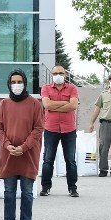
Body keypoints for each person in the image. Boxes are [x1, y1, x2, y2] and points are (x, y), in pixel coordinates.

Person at [0, 70, 45, 220]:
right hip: (8, 154)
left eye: (19, 82)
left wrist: (24, 147)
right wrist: (7, 145)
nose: (16, 85)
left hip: (28, 154)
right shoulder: (4, 104)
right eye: (13, 82)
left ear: (25, 83)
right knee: (9, 191)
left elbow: (38, 129)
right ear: (9, 84)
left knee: (27, 191)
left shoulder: (35, 104)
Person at [39, 65, 80, 198]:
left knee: (70, 160)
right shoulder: (45, 88)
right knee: (48, 159)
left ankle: (72, 188)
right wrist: (65, 103)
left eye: (61, 73)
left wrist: (54, 105)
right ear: (52, 75)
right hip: (51, 129)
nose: (58, 75)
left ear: (65, 75)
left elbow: (74, 105)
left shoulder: (72, 88)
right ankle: (45, 187)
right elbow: (46, 105)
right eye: (55, 73)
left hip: (69, 130)